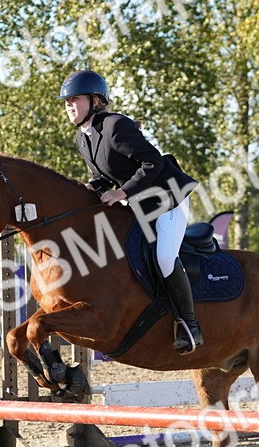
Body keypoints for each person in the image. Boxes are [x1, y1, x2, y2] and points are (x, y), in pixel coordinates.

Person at [59, 69, 204, 354]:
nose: (69, 106)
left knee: (164, 257)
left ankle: (190, 325)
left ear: (95, 100)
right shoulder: (83, 137)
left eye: (74, 99)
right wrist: (86, 192)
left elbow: (152, 163)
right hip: (137, 204)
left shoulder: (116, 126)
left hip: (166, 199)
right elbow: (102, 176)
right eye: (66, 101)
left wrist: (122, 192)